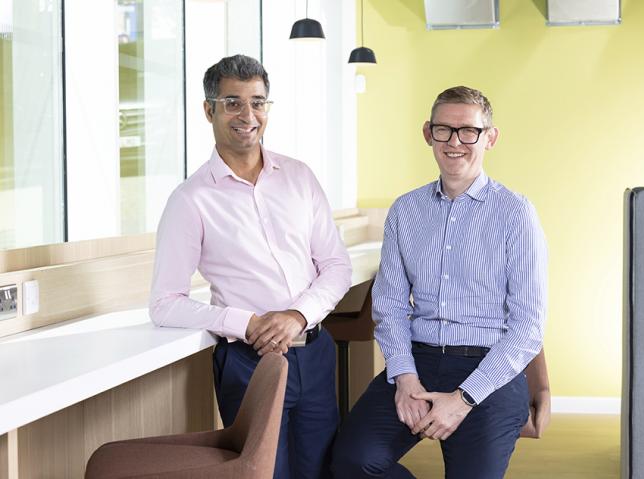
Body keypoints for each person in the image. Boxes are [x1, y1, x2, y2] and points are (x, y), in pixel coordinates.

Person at [149, 54, 352, 479]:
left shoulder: (300, 177)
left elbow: (335, 266)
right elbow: (165, 303)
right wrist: (248, 322)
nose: (248, 115)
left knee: (321, 468)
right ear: (209, 110)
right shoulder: (190, 200)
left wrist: (297, 315)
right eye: (232, 102)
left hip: (314, 353)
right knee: (264, 472)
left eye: (258, 102)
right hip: (247, 363)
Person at [331, 86, 548, 479]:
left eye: (469, 131)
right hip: (420, 360)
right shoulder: (405, 210)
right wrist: (406, 379)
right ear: (428, 133)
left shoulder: (516, 214)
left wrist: (464, 398)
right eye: (444, 130)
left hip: (489, 369)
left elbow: (527, 328)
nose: (455, 142)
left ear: (490, 137)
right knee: (352, 462)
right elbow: (391, 307)